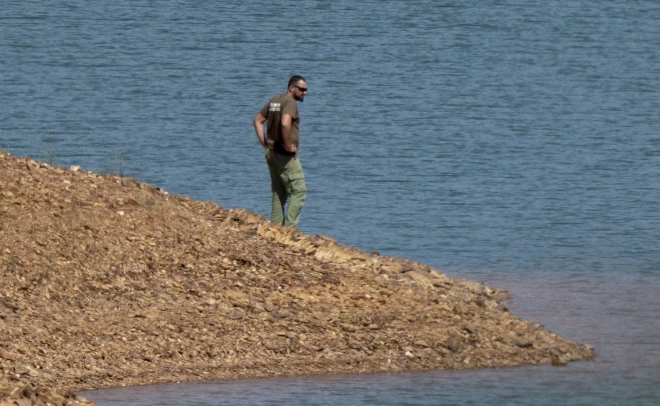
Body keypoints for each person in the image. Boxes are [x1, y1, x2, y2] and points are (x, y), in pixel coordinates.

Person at [253, 75, 308, 228]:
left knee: (279, 192)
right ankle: (289, 230)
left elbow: (257, 120)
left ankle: (276, 227)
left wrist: (264, 143)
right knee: (299, 191)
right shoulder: (290, 103)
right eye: (302, 89)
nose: (305, 93)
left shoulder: (275, 100)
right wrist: (289, 145)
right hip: (285, 157)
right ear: (292, 88)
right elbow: (285, 124)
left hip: (272, 153)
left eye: (306, 90)